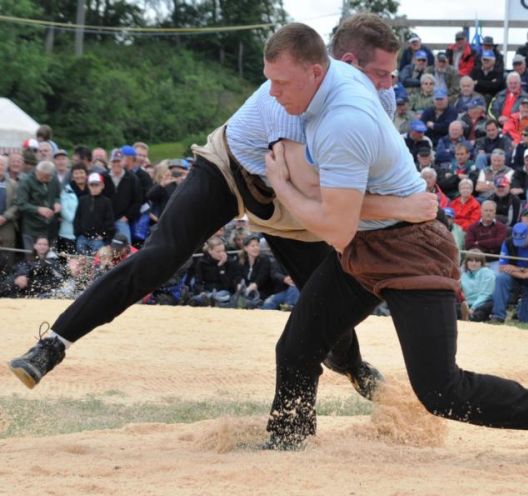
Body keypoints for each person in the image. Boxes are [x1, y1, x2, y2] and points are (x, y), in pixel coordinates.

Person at [8, 14, 438, 403]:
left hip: (291, 198)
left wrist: (398, 203)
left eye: (391, 74)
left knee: (321, 301)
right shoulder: (288, 97)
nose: (390, 84)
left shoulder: (375, 100)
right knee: (160, 256)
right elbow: (313, 188)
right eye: (381, 73)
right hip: (234, 170)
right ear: (347, 63)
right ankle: (54, 344)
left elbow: (335, 189)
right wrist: (403, 205)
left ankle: (353, 366)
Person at [259, 23, 528, 453]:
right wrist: (394, 202)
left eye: (281, 83)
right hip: (365, 248)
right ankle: (288, 441)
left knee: (440, 390)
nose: (273, 93)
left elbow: (336, 224)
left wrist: (281, 185)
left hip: (413, 251)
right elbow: (342, 204)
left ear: (316, 72)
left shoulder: (343, 120)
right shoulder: (332, 79)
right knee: (297, 346)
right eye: (270, 80)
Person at [490, 222, 528, 323]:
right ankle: (498, 315)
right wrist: (522, 274)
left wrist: (518, 269)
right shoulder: (507, 243)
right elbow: (502, 267)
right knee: (501, 279)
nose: (519, 245)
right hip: (516, 277)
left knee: (527, 321)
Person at [15, 160, 61, 251]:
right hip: (32, 228)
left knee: (51, 257)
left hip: (50, 228)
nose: (45, 179)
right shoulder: (26, 181)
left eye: (48, 177)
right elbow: (21, 204)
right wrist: (37, 209)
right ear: (37, 171)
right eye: (42, 176)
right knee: (31, 257)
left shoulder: (54, 179)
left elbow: (57, 195)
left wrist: (57, 202)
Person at [189, 236, 241, 307]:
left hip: (224, 291)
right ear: (210, 251)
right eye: (218, 252)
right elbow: (198, 282)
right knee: (204, 296)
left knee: (220, 296)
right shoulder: (202, 262)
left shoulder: (230, 262)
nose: (221, 254)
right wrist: (202, 291)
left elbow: (228, 285)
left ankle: (207, 299)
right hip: (207, 291)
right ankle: (205, 299)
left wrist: (221, 267)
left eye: (223, 251)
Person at [73, 173, 115, 255]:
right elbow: (77, 218)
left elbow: (109, 221)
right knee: (81, 260)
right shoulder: (82, 200)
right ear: (88, 186)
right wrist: (78, 233)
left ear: (102, 186)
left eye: (97, 185)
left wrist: (104, 235)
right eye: (92, 185)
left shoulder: (106, 202)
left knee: (97, 260)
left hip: (98, 239)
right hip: (82, 237)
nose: (94, 187)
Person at [465, 200, 508, 271]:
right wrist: (490, 246)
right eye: (486, 210)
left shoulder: (502, 227)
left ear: (495, 212)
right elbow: (469, 245)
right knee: (462, 273)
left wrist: (478, 243)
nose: (488, 213)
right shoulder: (472, 227)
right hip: (475, 261)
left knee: (496, 276)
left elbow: (498, 243)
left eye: (491, 211)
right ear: (481, 212)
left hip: (494, 261)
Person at [460, 248, 496, 321]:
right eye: (471, 261)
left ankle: (471, 317)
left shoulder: (488, 273)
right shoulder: (463, 274)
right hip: (466, 303)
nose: (473, 263)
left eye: (477, 261)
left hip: (482, 303)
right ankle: (466, 315)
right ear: (466, 262)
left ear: (481, 263)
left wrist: (473, 308)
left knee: (489, 305)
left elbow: (485, 294)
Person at [0, 156, 19, 270]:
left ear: (6, 167)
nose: (0, 167)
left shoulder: (12, 184)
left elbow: (17, 203)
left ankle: (7, 277)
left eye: (2, 164)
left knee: (8, 253)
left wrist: (5, 216)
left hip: (7, 223)